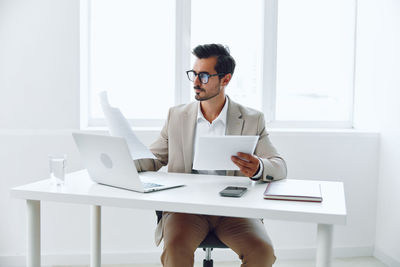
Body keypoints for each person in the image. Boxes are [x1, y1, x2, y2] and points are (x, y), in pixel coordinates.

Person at [135, 44, 287, 267]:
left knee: (262, 252)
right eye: (194, 74)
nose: (196, 82)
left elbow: (279, 165)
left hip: (234, 211)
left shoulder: (252, 120)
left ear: (225, 80)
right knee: (176, 250)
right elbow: (154, 157)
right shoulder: (177, 116)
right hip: (187, 210)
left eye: (204, 76)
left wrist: (259, 168)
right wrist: (123, 162)